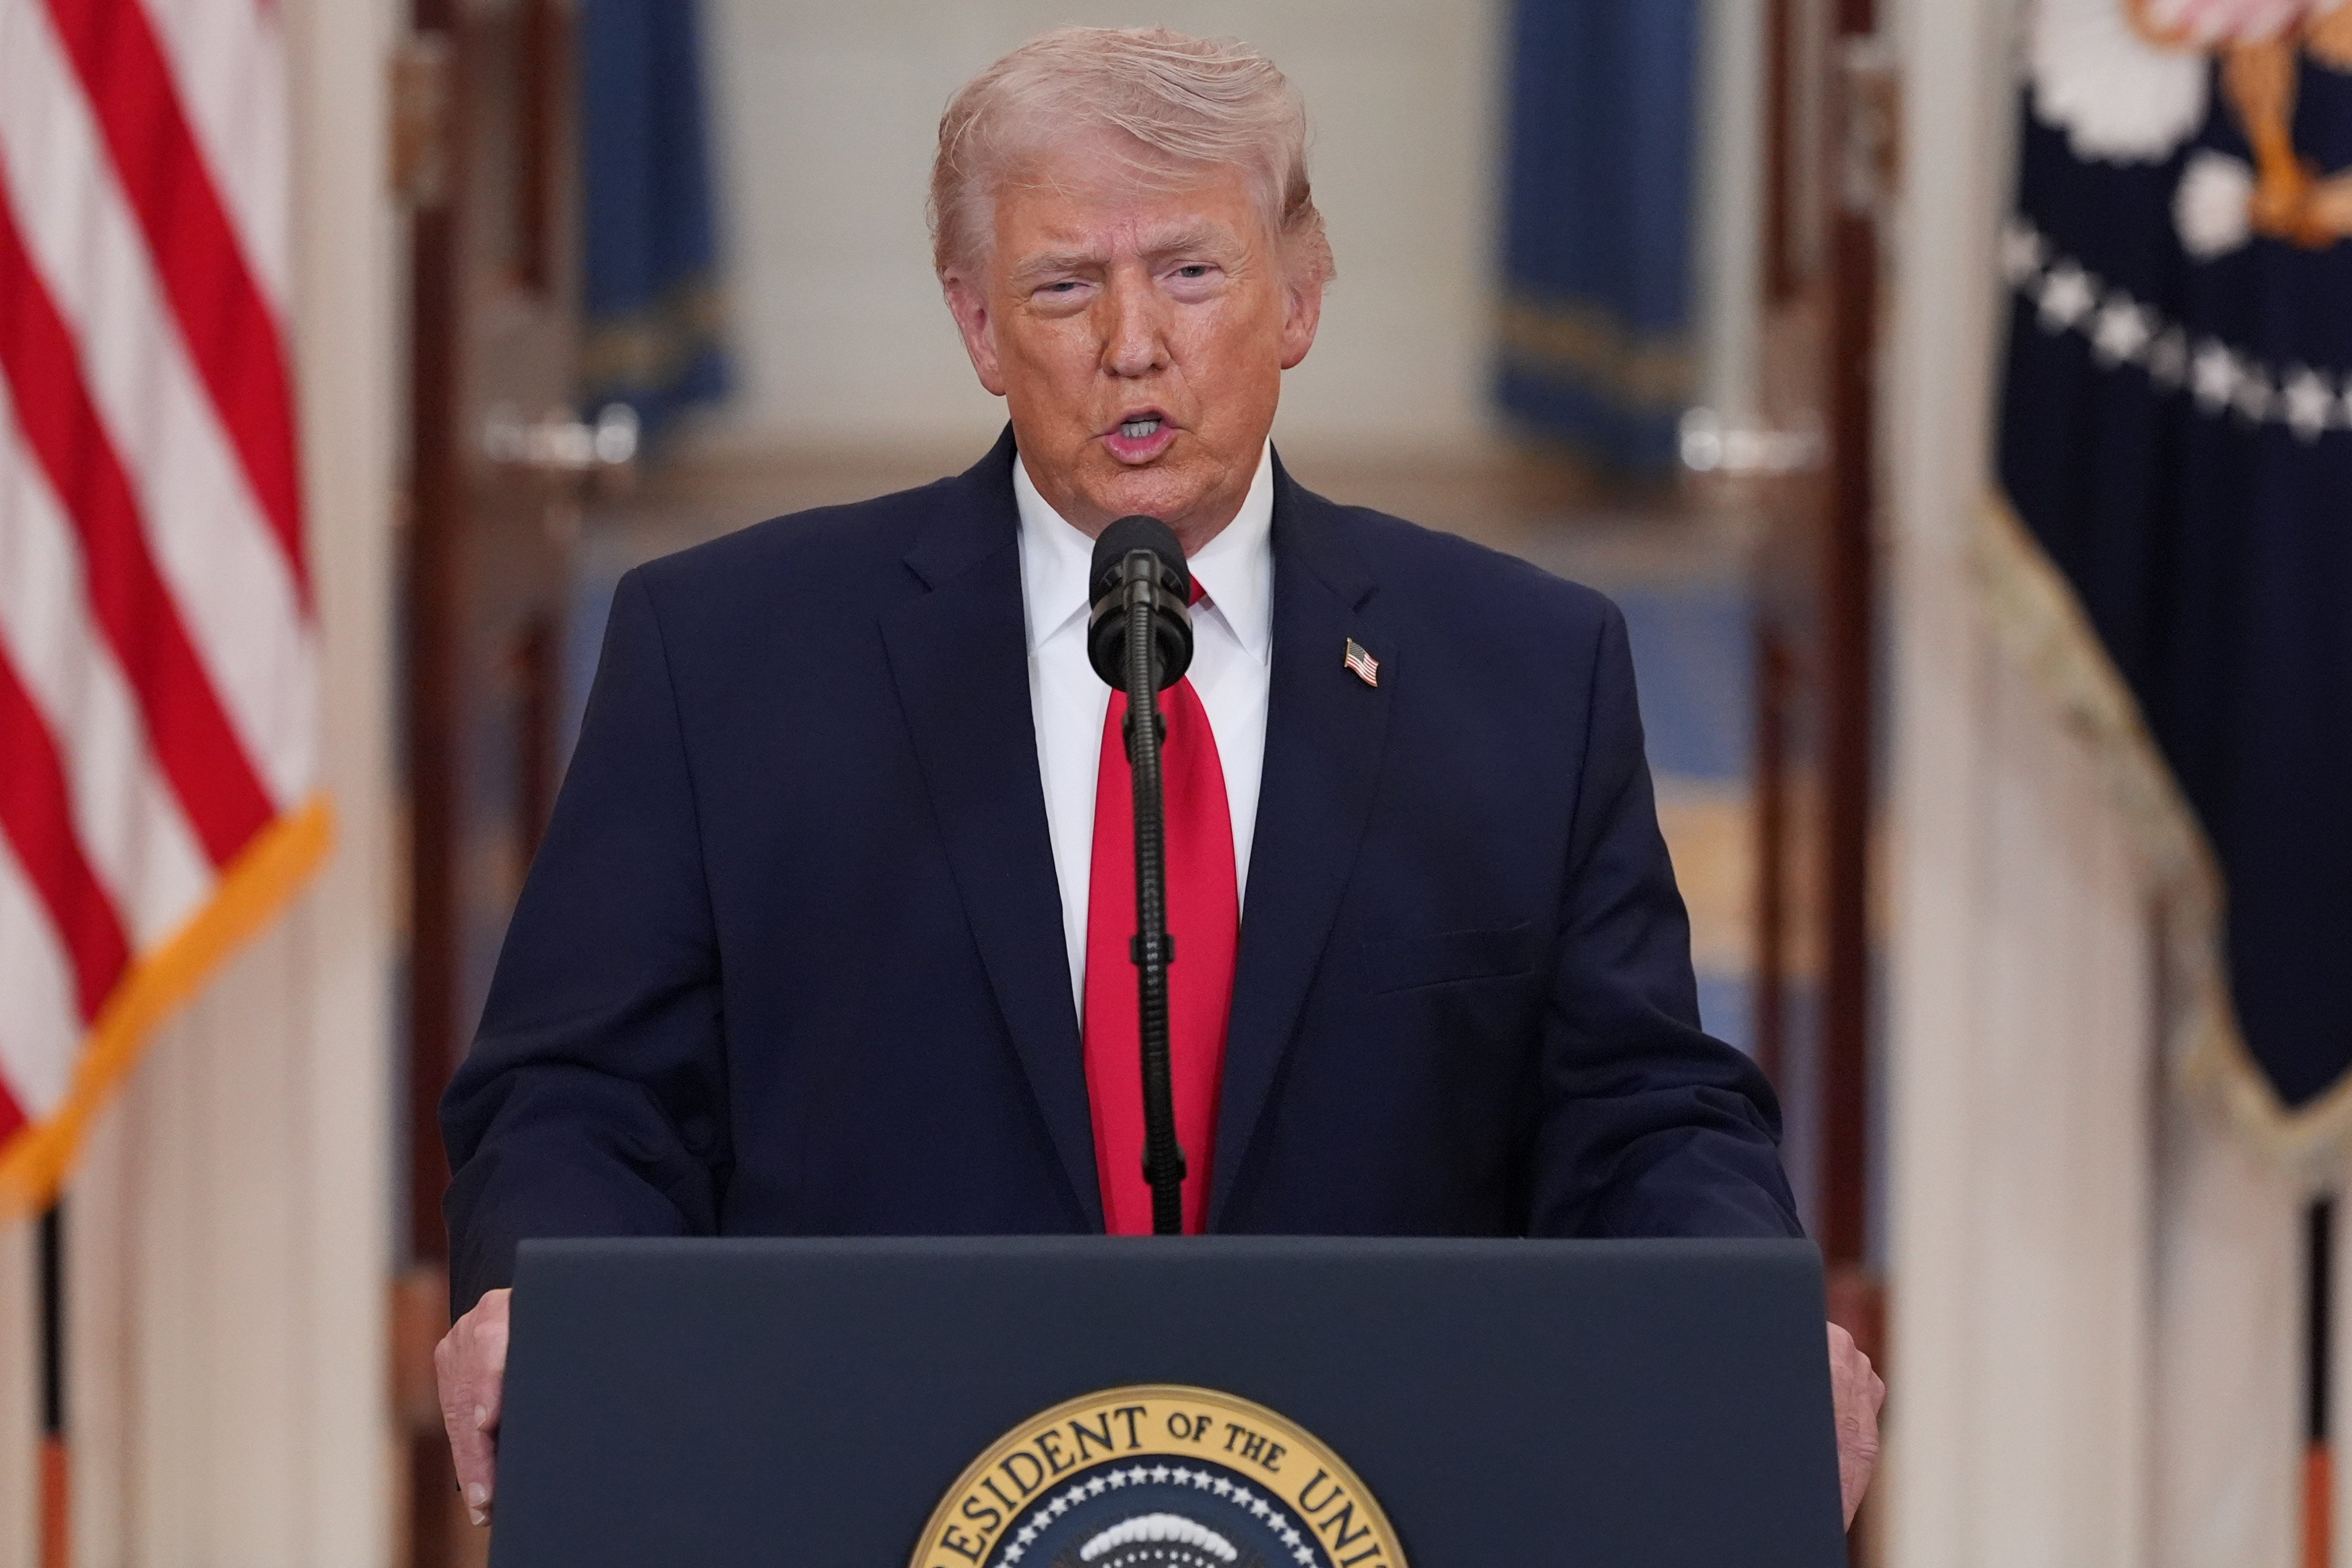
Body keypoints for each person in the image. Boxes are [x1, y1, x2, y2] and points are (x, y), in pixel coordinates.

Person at [433, 25, 1884, 1532]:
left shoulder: (1524, 669)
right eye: (1066, 285)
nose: (1133, 342)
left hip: (1381, 1500)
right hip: (863, 1492)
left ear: (1300, 294)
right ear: (981, 327)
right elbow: (577, 1096)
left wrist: (1741, 1306)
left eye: (1190, 272)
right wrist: (546, 1292)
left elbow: (1641, 1111)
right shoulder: (726, 656)